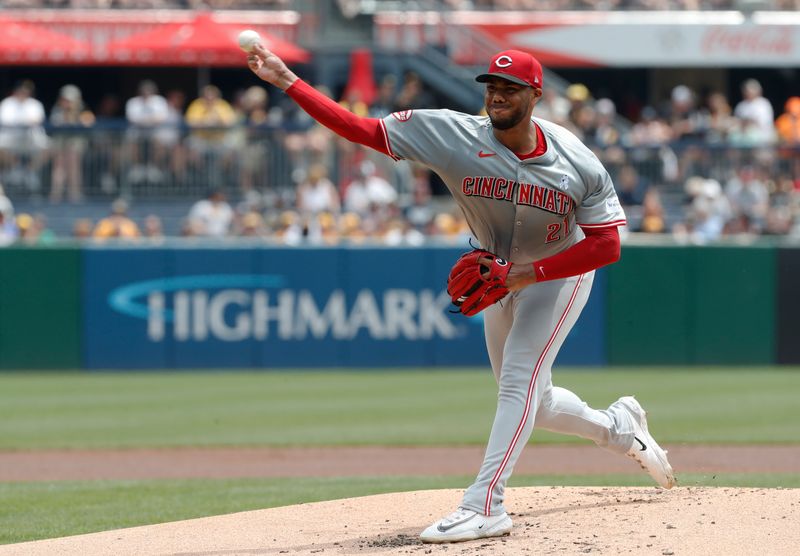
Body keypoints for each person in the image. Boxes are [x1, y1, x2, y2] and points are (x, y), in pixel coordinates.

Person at [246, 45, 676, 544]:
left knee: (519, 378)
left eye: (510, 89)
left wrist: (530, 273)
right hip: (498, 270)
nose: (497, 95)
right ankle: (620, 428)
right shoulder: (453, 134)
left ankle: (485, 504)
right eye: (492, 86)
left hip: (560, 269)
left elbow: (608, 246)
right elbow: (362, 129)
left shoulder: (578, 161)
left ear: (535, 96)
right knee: (531, 401)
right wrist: (288, 82)